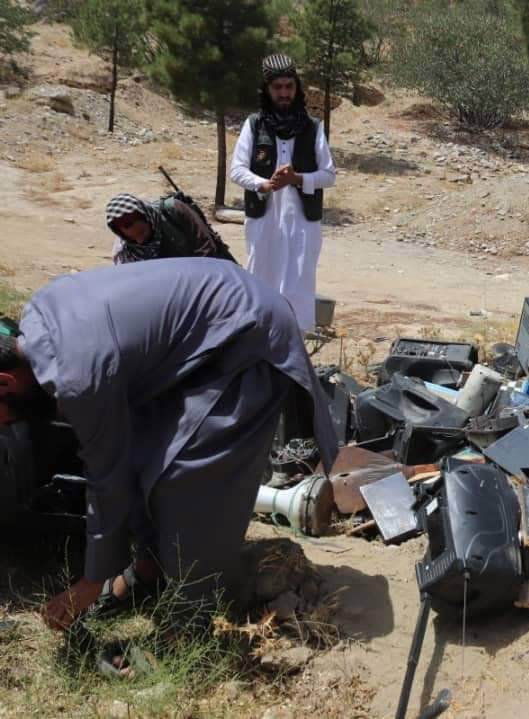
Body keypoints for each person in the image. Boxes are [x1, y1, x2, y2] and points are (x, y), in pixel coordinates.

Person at [0, 259, 339, 636]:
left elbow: (106, 477)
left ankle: (189, 622)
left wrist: (90, 583)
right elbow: (123, 458)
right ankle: (151, 570)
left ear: (5, 383)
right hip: (212, 326)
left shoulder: (76, 377)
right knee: (148, 458)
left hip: (245, 336)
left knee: (186, 479)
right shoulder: (36, 320)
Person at [229, 53, 336, 331]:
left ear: (296, 88)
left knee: (298, 288)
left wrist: (297, 179)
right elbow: (237, 170)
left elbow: (328, 175)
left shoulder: (313, 128)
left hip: (302, 225)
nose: (284, 93)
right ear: (267, 89)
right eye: (278, 88)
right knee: (260, 283)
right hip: (264, 221)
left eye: (289, 87)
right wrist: (264, 184)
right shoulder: (254, 125)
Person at [106, 192, 235, 264]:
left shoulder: (174, 211)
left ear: (148, 219)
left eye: (142, 233)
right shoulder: (124, 250)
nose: (139, 242)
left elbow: (206, 250)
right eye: (133, 239)